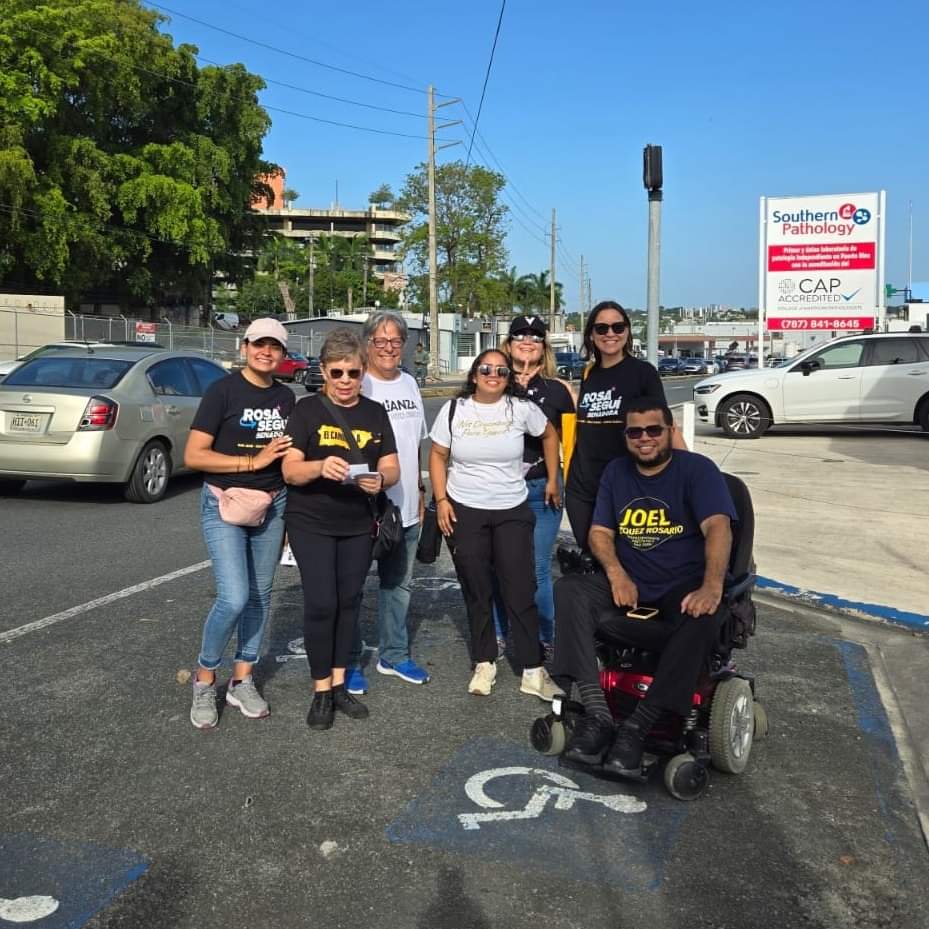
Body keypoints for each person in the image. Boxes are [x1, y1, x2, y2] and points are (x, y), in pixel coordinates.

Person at [552, 398, 737, 776]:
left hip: (681, 583)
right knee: (570, 590)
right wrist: (617, 574)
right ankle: (598, 714)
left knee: (702, 613)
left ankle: (639, 726)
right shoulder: (617, 473)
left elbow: (718, 527)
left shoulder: (697, 470)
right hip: (630, 581)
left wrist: (711, 586)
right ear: (626, 436)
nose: (644, 438)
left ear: (670, 431)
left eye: (654, 430)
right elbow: (600, 532)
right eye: (635, 432)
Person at [282, 329, 400, 731]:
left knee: (349, 601)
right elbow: (290, 470)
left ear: (363, 372)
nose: (346, 381)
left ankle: (337, 684)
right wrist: (320, 467)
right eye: (338, 373)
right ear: (323, 372)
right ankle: (319, 692)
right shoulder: (307, 410)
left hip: (356, 522)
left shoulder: (374, 412)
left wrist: (380, 481)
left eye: (353, 373)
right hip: (311, 521)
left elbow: (392, 466)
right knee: (321, 603)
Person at [429, 349, 563, 700]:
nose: (493, 374)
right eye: (486, 369)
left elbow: (550, 435)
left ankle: (533, 669)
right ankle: (485, 661)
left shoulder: (521, 409)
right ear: (474, 374)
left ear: (508, 378)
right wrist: (441, 500)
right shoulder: (455, 409)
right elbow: (438, 455)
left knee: (520, 588)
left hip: (511, 510)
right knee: (477, 588)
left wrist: (552, 477)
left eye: (501, 370)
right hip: (465, 509)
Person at [185, 317, 295, 729]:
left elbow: (288, 458)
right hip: (224, 502)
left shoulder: (287, 398)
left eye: (275, 346)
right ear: (245, 347)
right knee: (233, 596)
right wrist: (253, 461)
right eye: (259, 344)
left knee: (260, 596)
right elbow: (195, 455)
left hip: (272, 503)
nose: (266, 352)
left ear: (283, 354)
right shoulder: (222, 391)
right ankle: (204, 678)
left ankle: (242, 679)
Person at [343, 310, 430, 693]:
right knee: (352, 586)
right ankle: (347, 661)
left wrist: (421, 491)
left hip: (406, 504)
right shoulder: (360, 385)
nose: (388, 348)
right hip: (364, 506)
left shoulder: (410, 383)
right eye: (380, 341)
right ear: (367, 344)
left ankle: (393, 654)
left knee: (399, 584)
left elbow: (415, 446)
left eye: (395, 341)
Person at [564, 300, 686, 550]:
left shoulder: (642, 372)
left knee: (629, 563)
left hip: (627, 489)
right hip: (582, 490)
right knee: (593, 562)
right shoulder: (589, 375)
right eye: (602, 328)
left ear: (627, 332)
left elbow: (665, 427)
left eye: (618, 327)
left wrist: (689, 474)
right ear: (591, 335)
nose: (610, 334)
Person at [493, 315, 575, 661]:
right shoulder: (492, 381)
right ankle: (498, 633)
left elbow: (570, 445)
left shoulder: (558, 390)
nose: (528, 341)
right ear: (508, 343)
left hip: (543, 488)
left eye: (536, 337)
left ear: (544, 347)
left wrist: (561, 481)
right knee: (498, 564)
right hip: (499, 489)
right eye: (520, 335)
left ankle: (545, 634)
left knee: (537, 565)